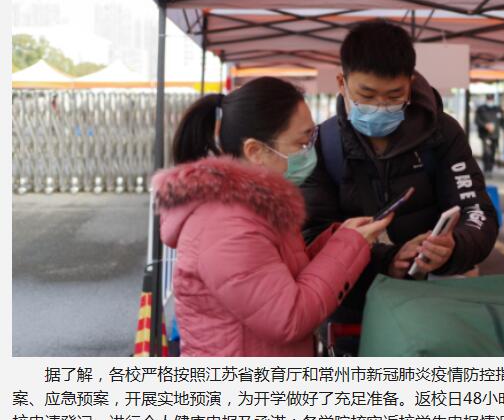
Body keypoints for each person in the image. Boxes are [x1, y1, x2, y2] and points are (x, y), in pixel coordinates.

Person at [152, 77, 393, 357]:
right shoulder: (227, 225)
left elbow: (278, 276)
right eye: (302, 143)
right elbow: (289, 318)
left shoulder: (255, 207)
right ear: (255, 151)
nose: (310, 152)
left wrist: (337, 240)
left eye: (311, 139)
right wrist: (348, 246)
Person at [302, 19, 498, 317]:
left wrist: (453, 247)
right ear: (342, 83)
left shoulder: (443, 134)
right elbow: (312, 235)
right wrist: (387, 260)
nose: (380, 106)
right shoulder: (322, 144)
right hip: (352, 306)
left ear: (410, 83)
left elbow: (478, 212)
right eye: (367, 95)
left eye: (394, 96)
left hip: (432, 304)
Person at [475, 93, 504, 173]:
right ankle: (486, 168)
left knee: (493, 151)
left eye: (491, 99)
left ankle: (490, 167)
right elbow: (477, 120)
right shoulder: (481, 109)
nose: (490, 101)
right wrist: (485, 125)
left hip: (495, 135)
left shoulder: (498, 109)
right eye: (488, 99)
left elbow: (502, 121)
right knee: (486, 151)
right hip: (485, 134)